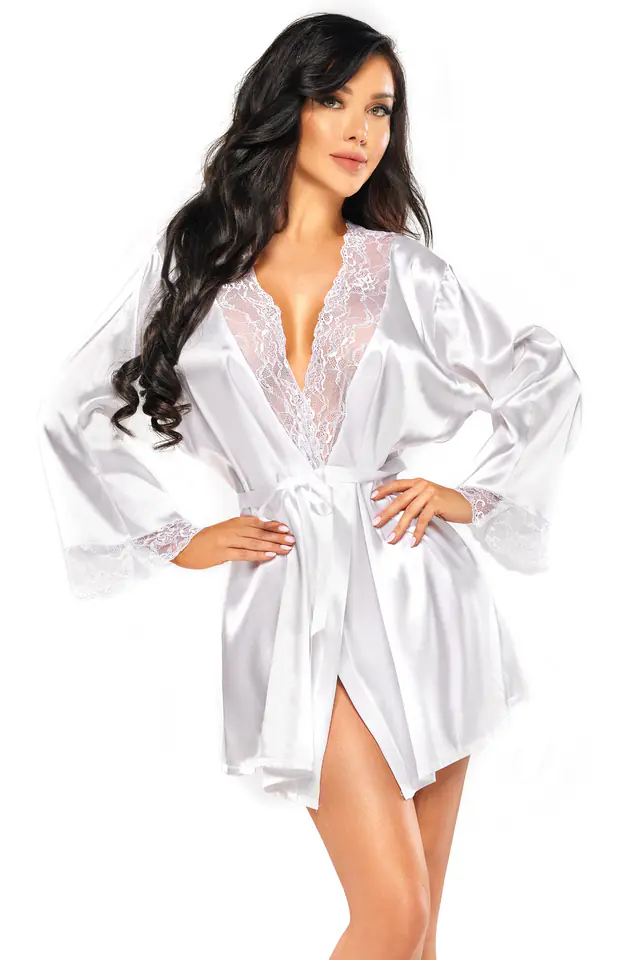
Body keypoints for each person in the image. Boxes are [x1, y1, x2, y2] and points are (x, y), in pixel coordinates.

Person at [36, 13, 582, 960]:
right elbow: (74, 404)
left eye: (381, 109)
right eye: (335, 100)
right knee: (393, 914)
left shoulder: (408, 273)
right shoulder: (193, 271)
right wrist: (174, 536)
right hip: (290, 593)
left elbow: (545, 377)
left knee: (415, 930)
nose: (361, 130)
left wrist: (472, 495)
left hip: (420, 591)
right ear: (284, 106)